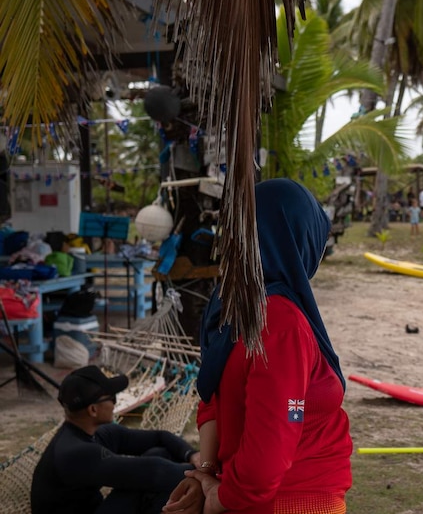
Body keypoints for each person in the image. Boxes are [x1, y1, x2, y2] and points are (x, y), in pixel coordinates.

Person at [184, 178, 352, 514]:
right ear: (297, 239)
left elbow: (211, 398)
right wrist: (224, 496)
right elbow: (275, 436)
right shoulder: (279, 319)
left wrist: (206, 474)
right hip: (296, 500)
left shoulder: (229, 304)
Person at [30, 365, 203, 514]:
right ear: (93, 410)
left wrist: (192, 455)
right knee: (154, 484)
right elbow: (154, 472)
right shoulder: (75, 452)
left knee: (161, 453)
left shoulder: (95, 432)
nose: (115, 402)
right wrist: (209, 475)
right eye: (111, 397)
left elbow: (160, 437)